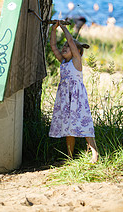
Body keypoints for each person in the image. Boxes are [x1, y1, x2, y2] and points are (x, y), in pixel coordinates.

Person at [49, 20, 98, 163]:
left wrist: (63, 27)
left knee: (84, 123)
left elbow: (70, 39)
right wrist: (53, 30)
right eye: (63, 46)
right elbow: (53, 46)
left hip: (77, 97)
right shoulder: (63, 62)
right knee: (68, 125)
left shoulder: (76, 61)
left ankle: (94, 153)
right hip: (65, 98)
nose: (64, 47)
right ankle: (69, 157)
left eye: (67, 47)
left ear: (77, 52)